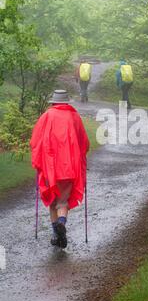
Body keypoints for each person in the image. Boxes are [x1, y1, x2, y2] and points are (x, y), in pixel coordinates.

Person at [30, 89, 90, 249]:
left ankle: (57, 234)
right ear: (66, 102)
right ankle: (61, 223)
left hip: (51, 169)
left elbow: (35, 141)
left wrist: (38, 161)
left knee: (52, 201)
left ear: (53, 102)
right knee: (62, 201)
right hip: (69, 168)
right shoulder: (74, 117)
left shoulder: (46, 116)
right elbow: (84, 143)